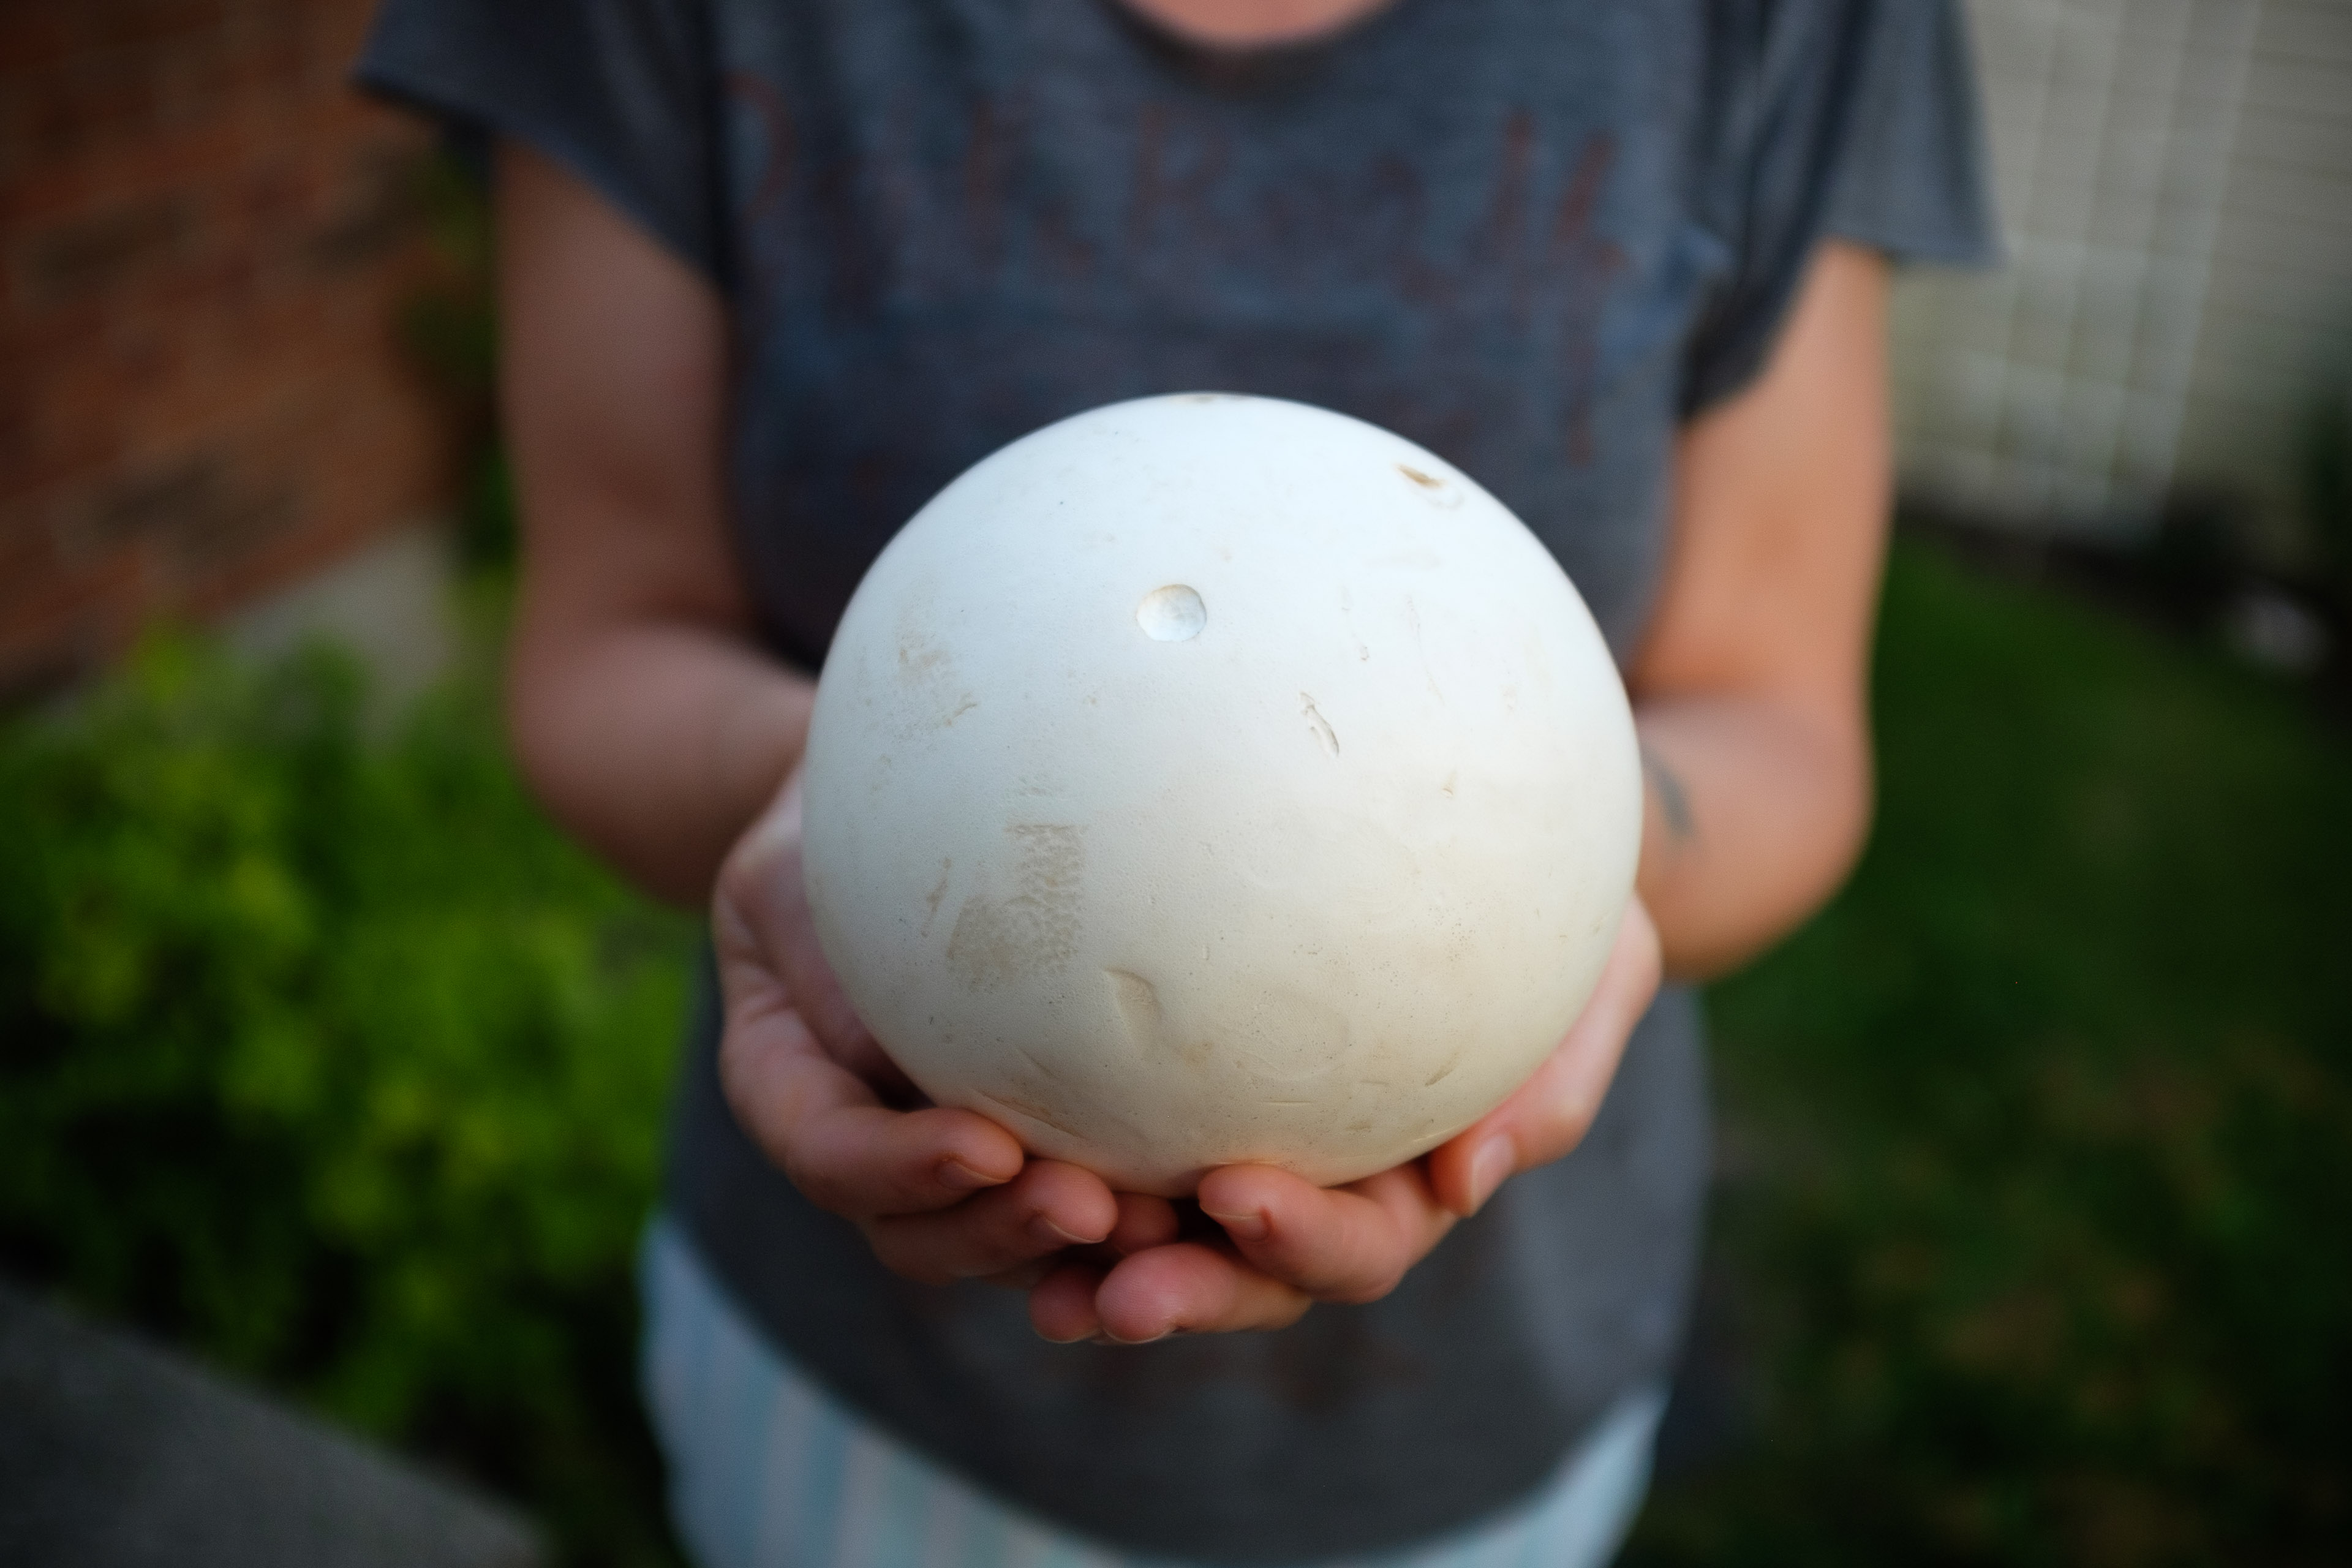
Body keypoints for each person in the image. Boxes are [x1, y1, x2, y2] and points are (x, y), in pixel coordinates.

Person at [360, 2, 1994, 1564]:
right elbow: (607, 642)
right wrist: (833, 798)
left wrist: (1599, 873)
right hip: (861, 1410)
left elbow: (1774, 719)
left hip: (1479, 1428)